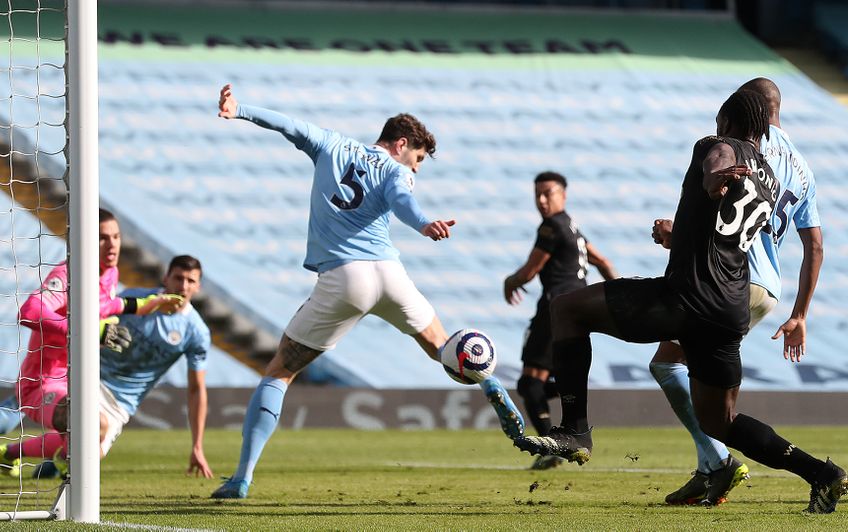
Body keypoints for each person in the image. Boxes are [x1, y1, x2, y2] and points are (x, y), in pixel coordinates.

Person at [514, 90, 848, 514]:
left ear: (727, 121)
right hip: (728, 309)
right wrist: (681, 232)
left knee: (566, 309)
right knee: (721, 421)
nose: (715, 128)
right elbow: (721, 236)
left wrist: (714, 177)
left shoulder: (717, 146)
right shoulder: (768, 177)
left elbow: (717, 165)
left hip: (686, 298)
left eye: (718, 121)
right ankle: (821, 474)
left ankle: (574, 430)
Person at [211, 84, 525, 499]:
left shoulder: (330, 143)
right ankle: (489, 383)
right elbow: (401, 200)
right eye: (417, 160)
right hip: (390, 275)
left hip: (345, 277)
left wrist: (240, 110)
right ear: (401, 144)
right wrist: (423, 223)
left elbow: (289, 125)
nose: (414, 170)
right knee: (443, 348)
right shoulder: (395, 171)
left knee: (280, 372)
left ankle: (242, 477)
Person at [649, 77, 824, 506]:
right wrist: (800, 314)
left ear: (749, 111)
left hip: (729, 277)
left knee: (668, 366)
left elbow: (726, 212)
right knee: (702, 384)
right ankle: (709, 465)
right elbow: (815, 245)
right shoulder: (803, 168)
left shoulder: (745, 146)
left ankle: (718, 461)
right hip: (767, 289)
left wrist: (679, 234)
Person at [0, 209, 182, 477]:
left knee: (97, 430)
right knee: (90, 426)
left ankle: (12, 455)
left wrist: (144, 305)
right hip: (41, 382)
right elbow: (29, 311)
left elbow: (105, 303)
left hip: (76, 378)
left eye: (116, 237)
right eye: (102, 238)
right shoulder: (67, 274)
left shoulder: (110, 273)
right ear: (85, 240)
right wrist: (90, 331)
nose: (112, 245)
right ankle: (67, 473)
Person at [504, 171, 617, 470]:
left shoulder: (552, 226)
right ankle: (570, 412)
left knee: (530, 384)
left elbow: (528, 272)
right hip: (580, 309)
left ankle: (551, 447)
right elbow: (603, 261)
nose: (542, 201)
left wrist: (509, 282)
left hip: (556, 308)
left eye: (548, 194)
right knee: (543, 383)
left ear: (563, 195)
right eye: (537, 195)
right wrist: (619, 295)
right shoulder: (573, 228)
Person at [99, 255, 213, 477]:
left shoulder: (196, 332)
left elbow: (196, 389)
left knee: (92, 453)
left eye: (190, 281)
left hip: (121, 401)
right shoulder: (134, 298)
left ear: (198, 287)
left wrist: (197, 446)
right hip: (89, 377)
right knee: (77, 431)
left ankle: (51, 462)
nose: (183, 286)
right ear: (166, 278)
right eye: (178, 278)